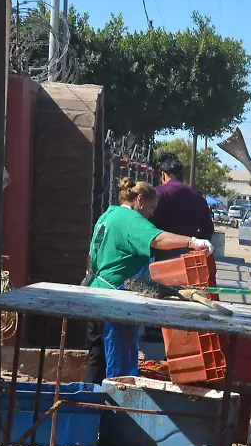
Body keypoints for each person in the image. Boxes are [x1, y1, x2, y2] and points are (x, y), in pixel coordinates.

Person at [83, 179, 214, 383]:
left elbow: (91, 258)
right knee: (118, 367)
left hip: (95, 295)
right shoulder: (131, 220)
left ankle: (87, 403)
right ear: (140, 200)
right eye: (151, 208)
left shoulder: (107, 216)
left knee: (97, 357)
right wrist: (192, 241)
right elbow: (158, 239)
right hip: (115, 303)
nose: (151, 215)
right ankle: (111, 408)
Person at [151, 152, 214, 262]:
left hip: (160, 257)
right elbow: (208, 228)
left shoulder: (158, 193)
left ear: (163, 175)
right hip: (188, 259)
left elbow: (148, 224)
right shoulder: (197, 197)